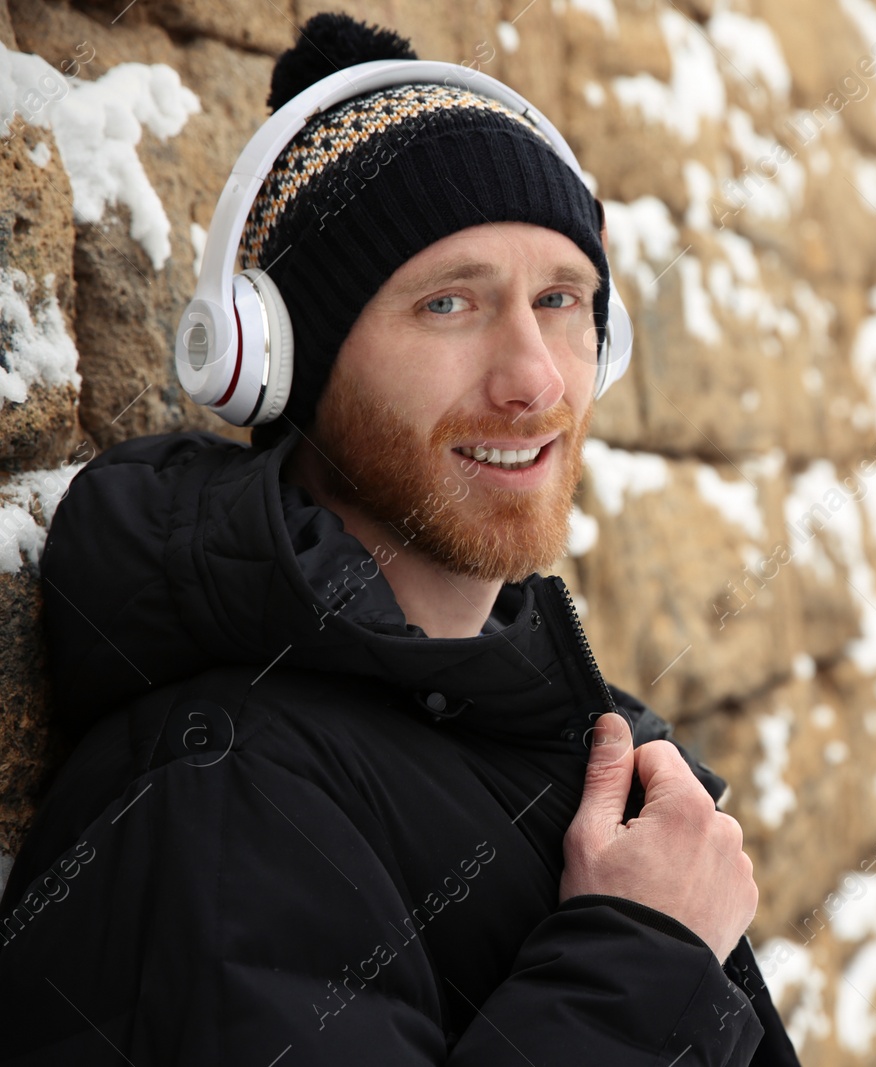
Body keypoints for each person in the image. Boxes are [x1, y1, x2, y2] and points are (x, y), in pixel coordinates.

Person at [0, 12, 799, 1066]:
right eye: (448, 303)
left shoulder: (556, 735)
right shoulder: (217, 797)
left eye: (561, 300)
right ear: (274, 358)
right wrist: (638, 957)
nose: (536, 379)